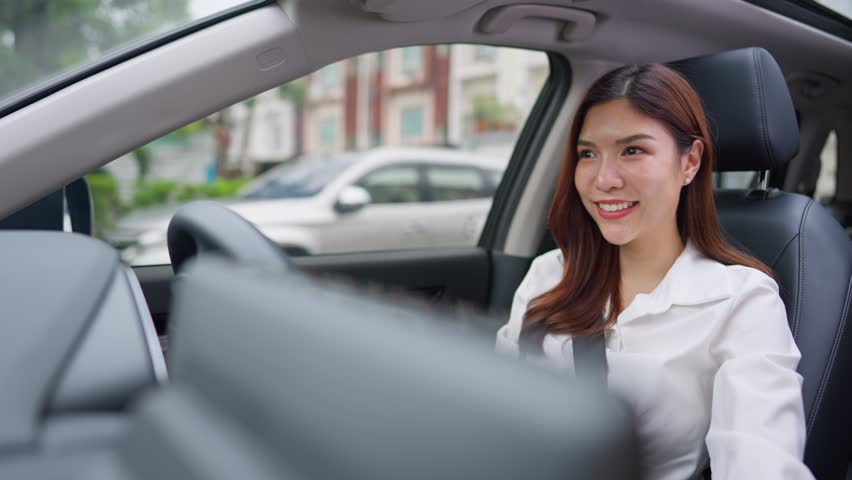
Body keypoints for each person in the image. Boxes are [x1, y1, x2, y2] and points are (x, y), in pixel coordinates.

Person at [495, 64, 813, 479]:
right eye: (588, 154)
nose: (603, 179)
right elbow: (496, 418)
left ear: (690, 162)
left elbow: (761, 460)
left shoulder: (742, 302)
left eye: (632, 150)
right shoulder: (549, 276)